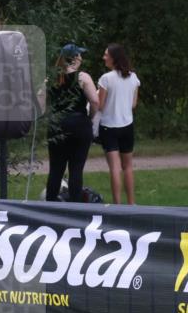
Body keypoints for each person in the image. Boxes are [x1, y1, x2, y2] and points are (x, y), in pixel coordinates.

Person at [44, 43, 98, 202]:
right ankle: (75, 207)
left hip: (57, 125)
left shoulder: (52, 78)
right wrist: (90, 118)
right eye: (79, 55)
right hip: (79, 124)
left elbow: (40, 102)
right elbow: (95, 101)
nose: (81, 58)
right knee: (76, 168)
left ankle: (50, 204)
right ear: (74, 59)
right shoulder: (82, 77)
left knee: (55, 169)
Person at [96, 44, 140, 205]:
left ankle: (117, 205)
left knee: (115, 167)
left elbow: (100, 105)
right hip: (127, 126)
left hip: (109, 127)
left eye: (106, 55)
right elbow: (133, 104)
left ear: (114, 58)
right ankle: (132, 203)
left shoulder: (105, 79)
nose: (103, 57)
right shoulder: (133, 77)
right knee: (127, 166)